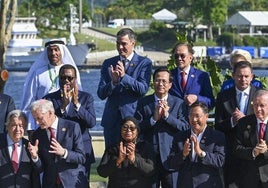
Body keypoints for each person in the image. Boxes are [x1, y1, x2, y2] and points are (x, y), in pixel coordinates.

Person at [134, 67, 189, 188]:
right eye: (158, 80)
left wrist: (167, 117)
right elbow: (136, 128)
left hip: (171, 157)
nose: (161, 84)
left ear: (170, 84)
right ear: (153, 83)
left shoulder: (178, 103)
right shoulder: (144, 102)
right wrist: (153, 119)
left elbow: (185, 127)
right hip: (149, 158)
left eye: (164, 81)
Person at [97, 28, 153, 148]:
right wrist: (114, 83)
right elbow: (101, 93)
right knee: (111, 161)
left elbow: (143, 89)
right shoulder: (108, 64)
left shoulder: (144, 63)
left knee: (132, 161)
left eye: (124, 44)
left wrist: (124, 77)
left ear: (133, 43)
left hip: (133, 120)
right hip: (112, 122)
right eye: (118, 44)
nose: (120, 47)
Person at [20, 39, 82, 138]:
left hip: (66, 124)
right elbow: (29, 102)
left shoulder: (71, 72)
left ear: (62, 51)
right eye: (50, 50)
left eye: (56, 49)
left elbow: (79, 98)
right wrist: (31, 128)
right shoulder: (38, 74)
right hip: (42, 125)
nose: (53, 53)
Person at [43, 64, 96, 179]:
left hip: (81, 150)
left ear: (75, 79)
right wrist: (63, 107)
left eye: (69, 78)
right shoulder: (49, 99)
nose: (66, 81)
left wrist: (77, 105)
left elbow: (91, 122)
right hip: (58, 150)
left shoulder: (86, 98)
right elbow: (46, 123)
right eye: (62, 78)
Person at [215, 60, 259, 187]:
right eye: (239, 76)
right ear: (233, 76)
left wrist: (245, 119)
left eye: (246, 76)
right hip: (231, 153)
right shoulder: (223, 97)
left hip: (254, 153)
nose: (243, 79)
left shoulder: (260, 95)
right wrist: (232, 121)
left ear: (252, 77)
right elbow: (218, 125)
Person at [27, 99, 88, 188]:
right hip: (50, 183)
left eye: (39, 118)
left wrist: (64, 153)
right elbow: (40, 168)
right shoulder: (37, 134)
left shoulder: (72, 127)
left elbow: (81, 157)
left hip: (71, 183)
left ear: (50, 113)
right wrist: (35, 157)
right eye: (35, 119)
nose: (37, 122)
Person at [168, 102, 225, 188]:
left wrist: (201, 153)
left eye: (197, 116)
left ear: (206, 117)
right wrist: (183, 154)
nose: (194, 119)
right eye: (191, 116)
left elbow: (220, 161)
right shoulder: (180, 136)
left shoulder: (217, 136)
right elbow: (171, 163)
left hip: (208, 185)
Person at [97, 116, 155, 188]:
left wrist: (134, 159)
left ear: (137, 131)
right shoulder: (112, 148)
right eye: (125, 127)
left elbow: (151, 171)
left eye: (132, 128)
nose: (128, 130)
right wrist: (118, 161)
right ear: (121, 130)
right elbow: (102, 172)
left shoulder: (145, 147)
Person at [233, 89, 268, 188]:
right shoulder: (243, 123)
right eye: (255, 105)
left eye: (262, 105)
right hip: (248, 178)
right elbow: (236, 148)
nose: (258, 109)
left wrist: (265, 151)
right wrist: (253, 152)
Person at [169, 42, 215, 110]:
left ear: (190, 57)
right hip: (174, 119)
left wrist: (197, 98)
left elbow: (211, 102)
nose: (179, 58)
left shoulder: (202, 76)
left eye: (182, 55)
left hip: (194, 118)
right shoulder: (169, 75)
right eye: (176, 56)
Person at [0, 110, 40, 187]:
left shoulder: (30, 145)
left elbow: (39, 169)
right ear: (7, 126)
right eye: (14, 125)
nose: (18, 129)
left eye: (21, 126)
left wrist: (35, 157)